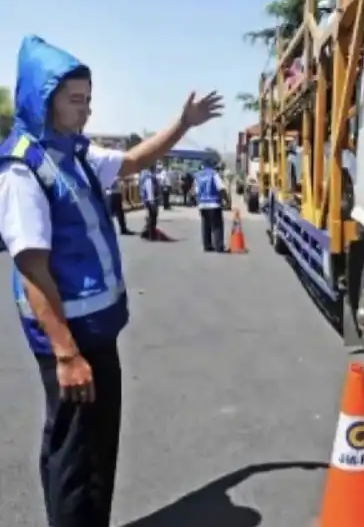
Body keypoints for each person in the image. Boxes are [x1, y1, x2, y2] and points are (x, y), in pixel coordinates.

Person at [0, 35, 222, 527]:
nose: (86, 110)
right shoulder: (24, 167)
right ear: (43, 99)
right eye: (75, 100)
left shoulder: (73, 153)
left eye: (88, 99)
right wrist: (66, 354)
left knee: (95, 452)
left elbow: (135, 160)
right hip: (72, 339)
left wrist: (182, 124)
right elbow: (33, 268)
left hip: (97, 333)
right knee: (75, 460)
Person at [194, 163, 229, 252]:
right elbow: (221, 188)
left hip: (203, 204)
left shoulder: (198, 175)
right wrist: (227, 200)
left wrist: (198, 204)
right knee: (217, 226)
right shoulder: (214, 174)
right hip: (214, 204)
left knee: (205, 225)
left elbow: (196, 192)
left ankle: (207, 246)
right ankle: (219, 246)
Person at [139, 167, 160, 240]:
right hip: (151, 200)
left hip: (150, 200)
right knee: (152, 218)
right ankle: (149, 235)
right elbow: (149, 189)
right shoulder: (150, 178)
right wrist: (152, 201)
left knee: (151, 217)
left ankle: (148, 233)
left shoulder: (149, 177)